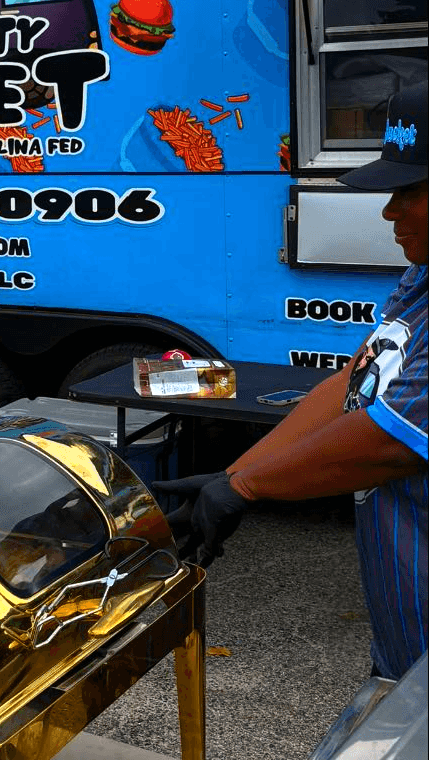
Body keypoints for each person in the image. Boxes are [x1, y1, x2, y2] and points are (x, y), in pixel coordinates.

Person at [156, 82, 427, 681]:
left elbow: (394, 441)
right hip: (406, 637)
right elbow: (354, 380)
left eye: (409, 192)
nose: (389, 212)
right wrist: (234, 476)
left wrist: (250, 487)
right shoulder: (422, 276)